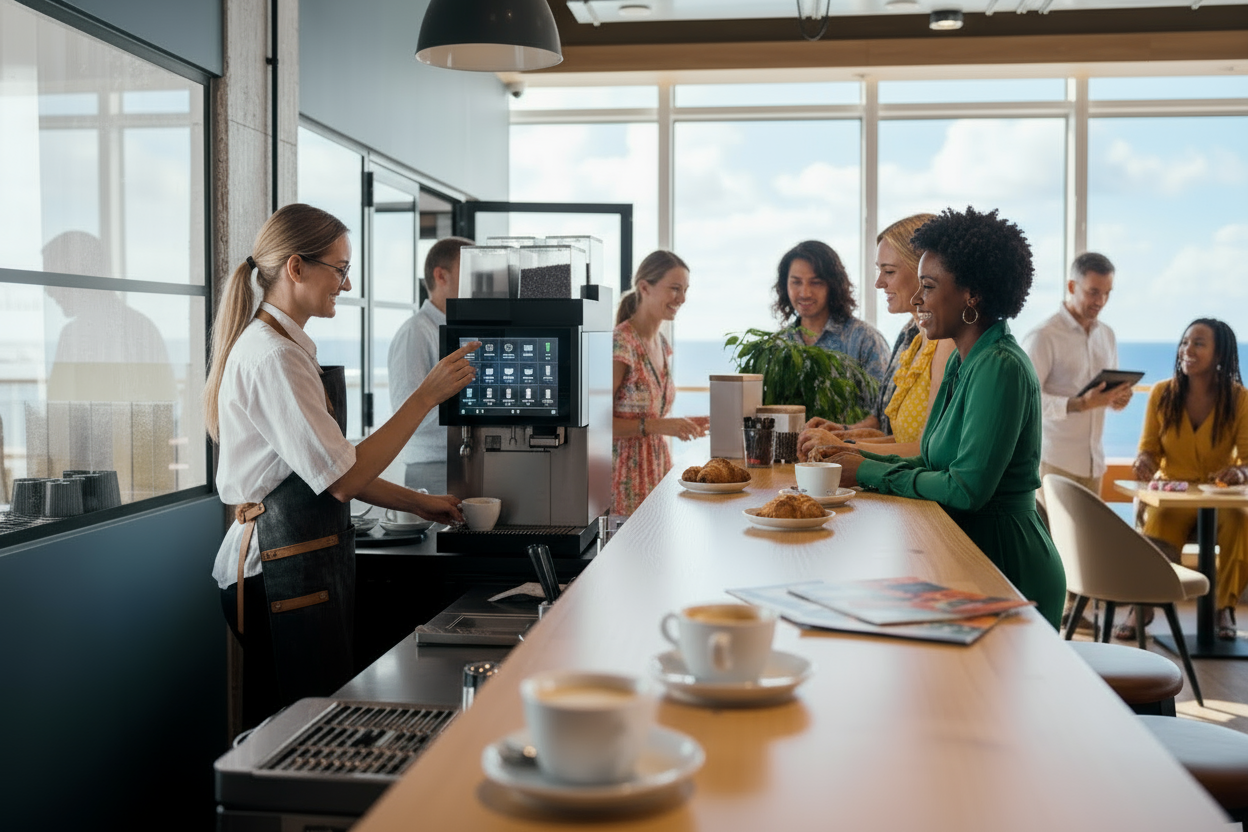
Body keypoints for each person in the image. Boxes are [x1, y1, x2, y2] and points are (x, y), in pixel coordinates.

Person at [205, 204, 478, 728]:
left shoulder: (284, 348)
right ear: (295, 267)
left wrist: (422, 504)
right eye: (339, 269)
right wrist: (425, 396)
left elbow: (331, 468)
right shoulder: (275, 357)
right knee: (302, 728)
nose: (345, 284)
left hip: (300, 556)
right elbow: (345, 477)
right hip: (277, 564)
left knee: (308, 720)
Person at [821, 206, 1066, 628]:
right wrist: (857, 465)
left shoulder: (999, 366)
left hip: (1005, 566)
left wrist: (868, 472)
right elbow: (932, 462)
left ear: (971, 294)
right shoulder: (963, 360)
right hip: (964, 551)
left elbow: (966, 488)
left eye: (929, 286)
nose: (918, 298)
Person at [797, 214, 954, 460]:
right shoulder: (913, 338)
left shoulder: (946, 340)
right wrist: (843, 436)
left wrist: (845, 446)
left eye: (888, 271)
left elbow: (927, 450)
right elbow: (899, 435)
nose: (878, 283)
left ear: (925, 270)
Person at [1130, 318, 1248, 640]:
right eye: (1185, 342)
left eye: (1198, 343)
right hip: (1174, 495)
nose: (1187, 350)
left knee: (1241, 523)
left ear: (1219, 353)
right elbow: (1148, 450)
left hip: (1218, 496)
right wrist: (1143, 462)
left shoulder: (1238, 399)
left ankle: (1224, 607)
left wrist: (1239, 472)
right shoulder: (1161, 394)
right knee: (1157, 524)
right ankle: (1144, 604)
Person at [1024, 252, 1132, 497]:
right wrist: (1080, 404)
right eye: (1094, 292)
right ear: (1072, 286)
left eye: (1107, 293)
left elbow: (1107, 394)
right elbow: (1026, 401)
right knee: (1050, 536)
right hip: (1054, 462)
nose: (1101, 301)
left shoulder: (1107, 335)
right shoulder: (1043, 336)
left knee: (1089, 537)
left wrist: (1119, 398)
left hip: (1094, 465)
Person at [612, 250, 708, 515]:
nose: (682, 298)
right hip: (624, 479)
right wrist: (660, 425)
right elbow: (595, 423)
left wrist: (681, 424)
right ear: (645, 287)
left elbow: (651, 414)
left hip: (658, 473)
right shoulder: (621, 344)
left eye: (685, 289)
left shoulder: (662, 345)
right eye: (675, 289)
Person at [388, 236, 474, 493]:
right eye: (470, 271)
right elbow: (407, 410)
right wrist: (473, 408)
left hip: (466, 460)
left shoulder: (463, 330)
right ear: (441, 276)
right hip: (432, 468)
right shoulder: (415, 332)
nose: (478, 281)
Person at [774, 240, 890, 386]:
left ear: (833, 286)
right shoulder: (779, 343)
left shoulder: (864, 340)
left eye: (816, 283)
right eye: (796, 282)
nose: (804, 293)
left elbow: (884, 405)